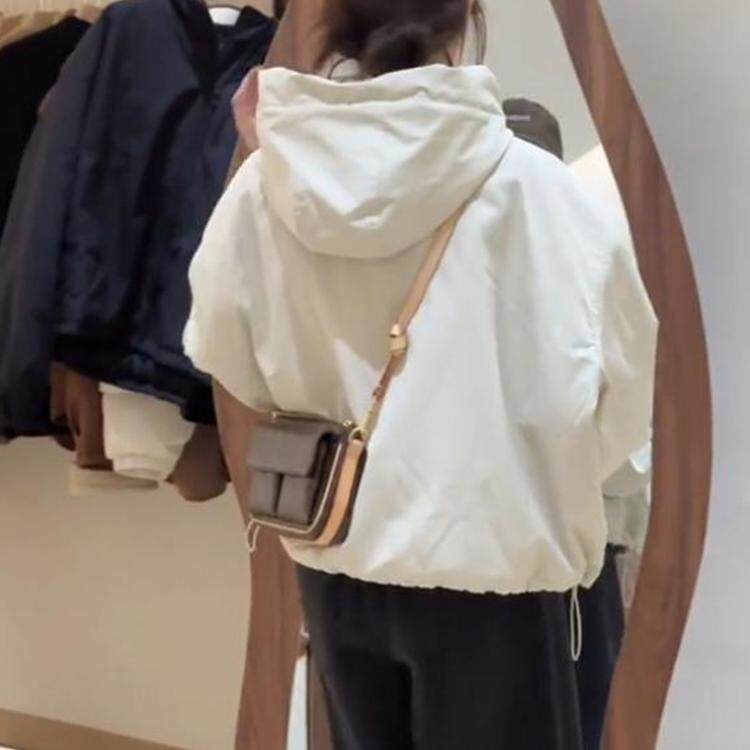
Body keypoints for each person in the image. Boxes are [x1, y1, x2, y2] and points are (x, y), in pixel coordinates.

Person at [184, 1, 658, 747]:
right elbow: (623, 393)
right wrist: (537, 472)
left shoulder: (267, 182)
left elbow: (220, 346)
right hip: (496, 570)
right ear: (465, 17)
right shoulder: (536, 189)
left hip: (336, 551)